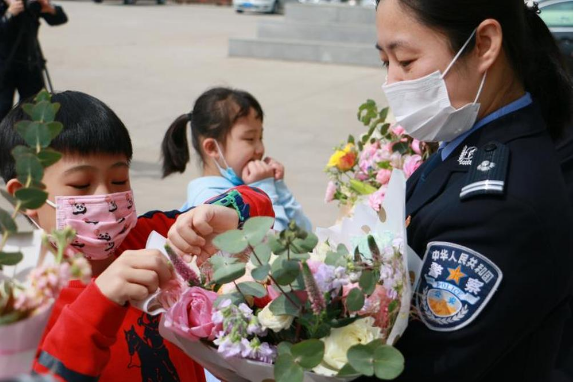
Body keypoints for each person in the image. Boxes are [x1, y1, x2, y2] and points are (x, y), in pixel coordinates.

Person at [362, 0, 573, 381]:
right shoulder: (465, 141)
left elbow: (422, 368)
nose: (392, 82)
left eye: (406, 61)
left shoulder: (500, 209)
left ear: (485, 44)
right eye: (385, 62)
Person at [0, 90, 274, 381]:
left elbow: (258, 203)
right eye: (81, 185)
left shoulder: (150, 235)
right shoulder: (20, 295)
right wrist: (100, 300)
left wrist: (227, 214)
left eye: (119, 180)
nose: (106, 196)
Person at [161, 86, 312, 232]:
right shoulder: (210, 200)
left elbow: (306, 236)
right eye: (249, 138)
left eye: (260, 137)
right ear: (212, 148)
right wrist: (264, 189)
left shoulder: (245, 184)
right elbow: (273, 248)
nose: (260, 149)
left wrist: (279, 188)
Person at [0, 0, 67, 121]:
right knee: (2, 108)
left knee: (36, 109)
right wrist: (9, 14)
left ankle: (31, 139)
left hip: (30, 64)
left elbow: (61, 18)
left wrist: (49, 8)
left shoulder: (29, 4)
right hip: (4, 66)